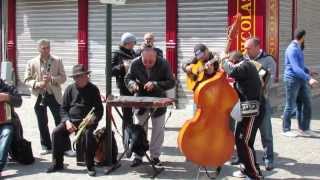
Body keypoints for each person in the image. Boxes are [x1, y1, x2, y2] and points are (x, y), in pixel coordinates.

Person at [46, 64, 103, 176]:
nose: (79, 79)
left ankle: (90, 165)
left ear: (87, 76)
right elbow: (63, 109)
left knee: (88, 135)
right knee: (56, 132)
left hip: (87, 122)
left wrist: (93, 118)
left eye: (81, 76)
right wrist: (67, 122)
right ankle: (57, 163)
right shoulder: (70, 88)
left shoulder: (94, 89)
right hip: (71, 121)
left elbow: (99, 110)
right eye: (76, 77)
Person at [125, 46, 175, 167]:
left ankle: (155, 157)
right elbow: (128, 78)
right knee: (139, 129)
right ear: (141, 57)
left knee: (158, 130)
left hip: (158, 99)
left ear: (155, 57)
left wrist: (156, 84)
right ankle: (138, 156)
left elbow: (171, 82)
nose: (147, 64)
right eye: (145, 61)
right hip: (140, 99)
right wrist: (132, 86)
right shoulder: (135, 63)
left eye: (151, 62)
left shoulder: (164, 63)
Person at [24, 39, 73, 156]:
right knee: (42, 122)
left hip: (54, 95)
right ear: (38, 49)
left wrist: (52, 79)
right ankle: (46, 146)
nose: (46, 50)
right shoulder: (31, 62)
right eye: (43, 48)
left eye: (48, 48)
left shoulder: (57, 60)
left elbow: (63, 78)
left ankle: (66, 147)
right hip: (39, 96)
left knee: (61, 121)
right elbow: (26, 79)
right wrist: (37, 84)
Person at [223, 52, 265, 180]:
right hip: (246, 111)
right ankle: (246, 168)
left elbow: (232, 71)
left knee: (245, 142)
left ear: (235, 60)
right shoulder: (246, 66)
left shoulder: (245, 65)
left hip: (253, 111)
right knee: (240, 140)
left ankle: (254, 175)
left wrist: (223, 60)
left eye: (231, 61)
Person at [243, 37, 276, 171]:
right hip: (247, 101)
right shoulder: (245, 59)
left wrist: (258, 81)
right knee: (246, 133)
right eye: (245, 48)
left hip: (262, 102)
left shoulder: (269, 60)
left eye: (248, 48)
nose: (246, 51)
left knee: (266, 132)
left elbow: (269, 82)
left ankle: (268, 159)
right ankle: (244, 158)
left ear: (257, 47)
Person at [282, 29, 318, 137]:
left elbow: (300, 66)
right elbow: (295, 67)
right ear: (302, 37)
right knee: (290, 105)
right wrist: (309, 78)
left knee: (306, 103)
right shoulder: (292, 49)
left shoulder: (297, 48)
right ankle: (286, 129)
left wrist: (308, 70)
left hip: (300, 79)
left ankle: (304, 129)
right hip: (292, 80)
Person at [112, 32, 137, 144]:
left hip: (135, 87)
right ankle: (126, 140)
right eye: (133, 43)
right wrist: (122, 67)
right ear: (127, 43)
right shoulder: (116, 54)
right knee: (127, 115)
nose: (134, 45)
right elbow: (110, 71)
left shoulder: (133, 53)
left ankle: (134, 137)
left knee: (135, 114)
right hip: (124, 88)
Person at [0, 79, 22, 177]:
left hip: (6, 122)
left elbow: (19, 102)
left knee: (7, 132)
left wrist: (7, 97)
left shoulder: (8, 87)